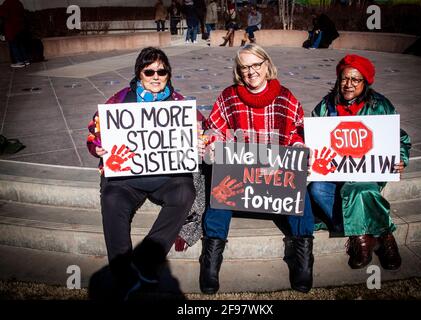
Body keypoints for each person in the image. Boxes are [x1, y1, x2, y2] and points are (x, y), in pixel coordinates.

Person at [86, 47, 203, 300]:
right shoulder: (119, 100)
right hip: (126, 180)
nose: (156, 76)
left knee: (186, 192)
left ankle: (145, 260)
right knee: (112, 199)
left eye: (162, 71)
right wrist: (98, 147)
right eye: (149, 71)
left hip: (166, 178)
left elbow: (204, 129)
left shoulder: (179, 104)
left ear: (168, 74)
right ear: (139, 73)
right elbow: (93, 133)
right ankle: (123, 274)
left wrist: (200, 138)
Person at [199, 44, 315, 294]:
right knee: (219, 194)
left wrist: (300, 150)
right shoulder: (229, 96)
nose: (251, 71)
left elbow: (297, 133)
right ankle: (211, 257)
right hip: (241, 174)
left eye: (256, 65)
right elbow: (214, 130)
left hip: (275, 174)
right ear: (238, 71)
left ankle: (304, 256)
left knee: (301, 196)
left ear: (266, 65)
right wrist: (213, 146)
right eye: (244, 67)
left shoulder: (285, 97)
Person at [307, 54, 411, 271]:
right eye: (345, 79)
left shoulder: (380, 105)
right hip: (334, 172)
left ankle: (373, 238)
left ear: (365, 82)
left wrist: (400, 158)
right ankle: (371, 235)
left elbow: (400, 138)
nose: (349, 84)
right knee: (316, 189)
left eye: (356, 80)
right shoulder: (326, 106)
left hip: (367, 171)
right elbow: (312, 138)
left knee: (359, 190)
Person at [0, 0, 29, 67]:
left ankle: (19, 61)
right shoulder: (18, 2)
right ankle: (25, 60)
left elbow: (3, 14)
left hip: (12, 28)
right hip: (20, 27)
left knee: (13, 45)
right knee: (20, 44)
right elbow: (23, 13)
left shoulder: (7, 3)